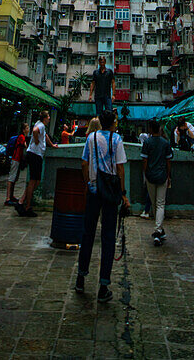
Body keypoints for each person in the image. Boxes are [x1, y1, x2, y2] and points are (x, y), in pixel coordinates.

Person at [75, 109, 129, 302]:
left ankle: (81, 278)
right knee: (108, 237)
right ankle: (103, 285)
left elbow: (83, 163)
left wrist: (88, 183)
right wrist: (123, 194)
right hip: (111, 193)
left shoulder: (91, 138)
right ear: (113, 122)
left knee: (87, 233)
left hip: (94, 190)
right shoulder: (117, 140)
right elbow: (120, 168)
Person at [16, 110, 56, 217]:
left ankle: (22, 201)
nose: (49, 119)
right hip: (35, 154)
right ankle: (27, 206)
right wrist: (37, 140)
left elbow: (45, 136)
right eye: (48, 117)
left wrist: (51, 145)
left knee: (36, 181)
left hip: (34, 154)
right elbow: (35, 131)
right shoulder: (41, 126)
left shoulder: (40, 125)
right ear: (44, 118)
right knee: (34, 181)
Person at [140, 119, 173, 245]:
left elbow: (144, 161)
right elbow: (168, 161)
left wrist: (146, 173)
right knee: (160, 203)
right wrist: (168, 175)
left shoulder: (147, 143)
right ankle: (159, 229)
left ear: (150, 129)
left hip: (150, 175)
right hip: (162, 175)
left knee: (155, 203)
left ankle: (158, 230)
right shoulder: (165, 143)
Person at [4, 121, 29, 206]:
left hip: (18, 159)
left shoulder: (22, 137)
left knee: (14, 177)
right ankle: (8, 198)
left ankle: (11, 196)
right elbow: (26, 146)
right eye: (27, 128)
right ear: (23, 130)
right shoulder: (22, 137)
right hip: (16, 158)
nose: (28, 129)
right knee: (12, 177)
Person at [89, 56, 114, 122]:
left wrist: (113, 95)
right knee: (99, 114)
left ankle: (108, 129)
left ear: (105, 62)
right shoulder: (96, 72)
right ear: (99, 63)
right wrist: (90, 95)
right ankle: (99, 129)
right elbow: (93, 83)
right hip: (98, 96)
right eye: (100, 62)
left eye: (103, 61)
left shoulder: (109, 72)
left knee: (109, 113)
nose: (102, 63)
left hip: (107, 96)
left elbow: (113, 83)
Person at [138, 125, 152, 219]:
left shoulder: (147, 143)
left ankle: (147, 210)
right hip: (160, 173)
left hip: (150, 172)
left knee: (149, 192)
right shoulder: (164, 143)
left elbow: (144, 159)